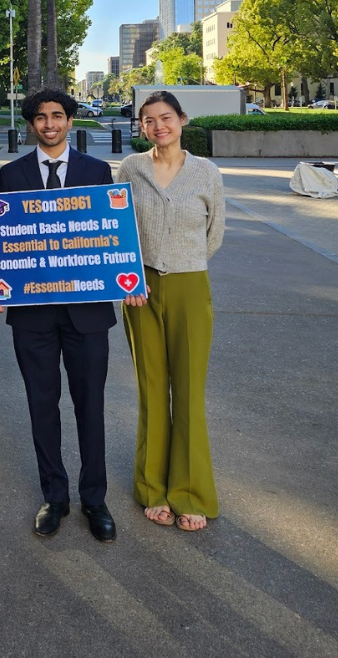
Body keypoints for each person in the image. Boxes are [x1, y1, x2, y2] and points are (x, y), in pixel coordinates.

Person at [0, 89, 117, 541]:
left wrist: (130, 279)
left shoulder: (98, 172)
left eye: (57, 116)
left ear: (70, 119)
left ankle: (94, 500)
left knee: (90, 407)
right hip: (33, 315)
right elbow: (4, 240)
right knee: (42, 406)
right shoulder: (13, 174)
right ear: (31, 124)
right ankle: (54, 497)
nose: (49, 124)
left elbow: (112, 235)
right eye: (40, 117)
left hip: (87, 314)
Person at [117, 90, 224, 532]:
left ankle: (190, 492)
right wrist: (129, 276)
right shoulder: (131, 169)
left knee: (189, 392)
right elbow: (118, 228)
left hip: (188, 284)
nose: (158, 126)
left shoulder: (206, 172)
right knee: (152, 388)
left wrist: (183, 263)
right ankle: (152, 488)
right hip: (139, 289)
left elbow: (213, 233)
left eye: (166, 118)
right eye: (148, 120)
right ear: (141, 127)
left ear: (181, 120)